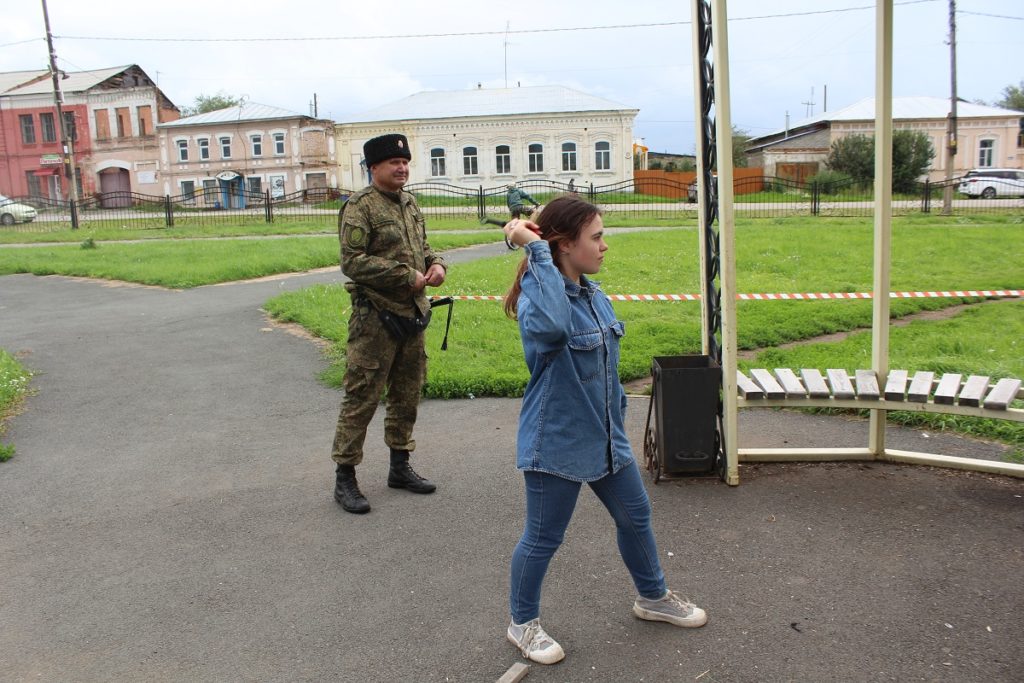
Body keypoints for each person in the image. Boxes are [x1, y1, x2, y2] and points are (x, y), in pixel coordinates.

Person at [501, 195, 707, 664]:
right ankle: (522, 623)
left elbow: (608, 370)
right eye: (596, 237)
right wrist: (534, 250)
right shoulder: (540, 297)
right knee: (542, 537)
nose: (604, 246)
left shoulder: (594, 294)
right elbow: (554, 330)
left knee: (636, 517)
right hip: (557, 439)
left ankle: (652, 597)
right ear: (566, 245)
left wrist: (618, 422)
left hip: (607, 438)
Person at [331, 133, 448, 514]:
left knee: (407, 392)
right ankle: (345, 477)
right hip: (374, 319)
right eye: (393, 163)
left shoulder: (410, 203)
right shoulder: (359, 207)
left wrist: (436, 265)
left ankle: (400, 466)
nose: (401, 168)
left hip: (411, 315)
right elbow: (353, 261)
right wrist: (405, 275)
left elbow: (424, 246)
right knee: (362, 395)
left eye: (405, 162)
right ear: (373, 168)